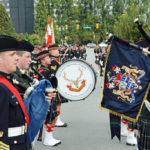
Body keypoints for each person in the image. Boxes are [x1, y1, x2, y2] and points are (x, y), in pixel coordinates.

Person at [0, 35, 28, 150]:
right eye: (12, 55)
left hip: (19, 142)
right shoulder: (1, 87)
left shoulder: (8, 81)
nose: (17, 58)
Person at [36, 50, 61, 146]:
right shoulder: (43, 72)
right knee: (50, 118)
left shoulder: (46, 70)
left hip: (50, 96)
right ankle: (48, 139)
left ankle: (49, 137)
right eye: (47, 58)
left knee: (52, 118)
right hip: (47, 98)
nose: (49, 59)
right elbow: (42, 87)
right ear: (42, 61)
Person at [48, 44, 68, 127]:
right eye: (56, 50)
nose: (58, 51)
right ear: (51, 51)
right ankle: (57, 120)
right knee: (57, 103)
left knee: (58, 103)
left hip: (57, 84)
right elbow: (53, 74)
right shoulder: (53, 61)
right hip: (55, 85)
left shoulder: (54, 60)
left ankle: (57, 119)